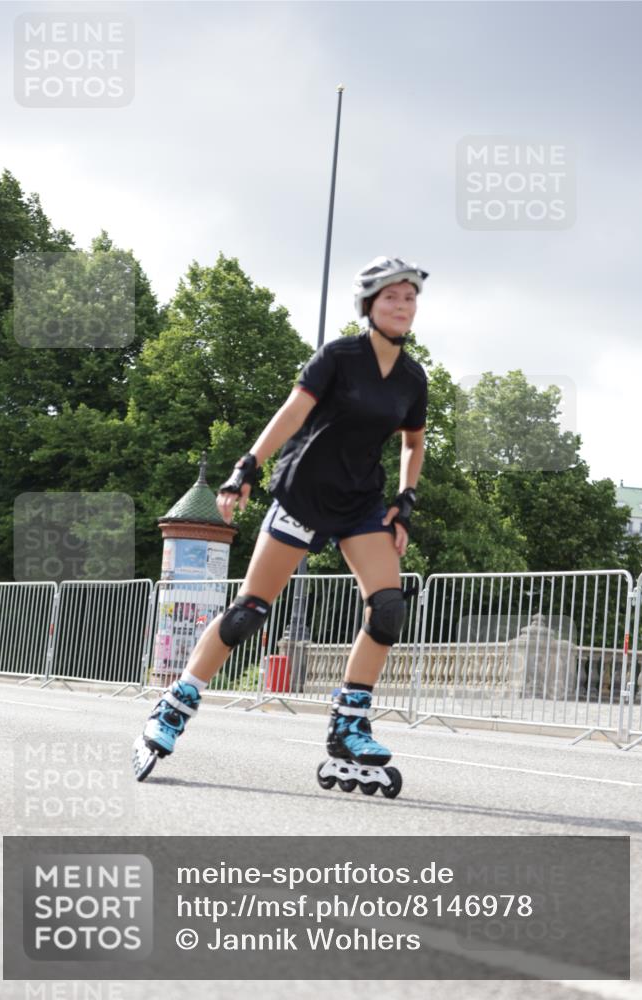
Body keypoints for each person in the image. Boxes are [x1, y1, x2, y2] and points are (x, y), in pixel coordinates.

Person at [133, 256, 429, 797]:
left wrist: (405, 499)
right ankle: (176, 703)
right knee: (250, 613)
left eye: (410, 297)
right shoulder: (338, 357)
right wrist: (246, 465)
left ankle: (349, 722)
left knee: (388, 607)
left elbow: (414, 441)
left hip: (361, 502)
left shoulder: (412, 378)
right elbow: (293, 412)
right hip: (303, 492)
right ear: (369, 304)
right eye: (392, 297)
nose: (403, 306)